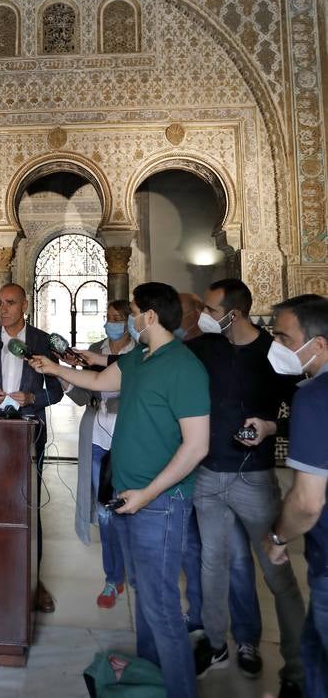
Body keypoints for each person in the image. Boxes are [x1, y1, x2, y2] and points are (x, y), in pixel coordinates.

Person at [31, 282, 210, 698]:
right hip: (130, 497)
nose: (127, 318)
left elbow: (196, 446)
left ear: (149, 316)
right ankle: (151, 679)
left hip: (160, 503)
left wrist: (147, 495)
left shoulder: (183, 367)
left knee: (162, 606)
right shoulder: (139, 359)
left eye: (131, 311)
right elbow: (97, 381)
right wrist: (55, 368)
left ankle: (180, 689)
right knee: (146, 597)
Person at [188, 278, 305, 696]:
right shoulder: (202, 348)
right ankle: (217, 644)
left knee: (277, 574)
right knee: (213, 565)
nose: (204, 315)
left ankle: (295, 666)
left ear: (233, 313)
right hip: (207, 475)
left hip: (254, 478)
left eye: (211, 309)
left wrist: (271, 425)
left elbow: (303, 411)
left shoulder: (273, 356)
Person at [0, 282, 63, 613]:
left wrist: (34, 398)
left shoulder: (41, 342)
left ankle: (34, 582)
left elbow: (58, 391)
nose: (3, 309)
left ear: (25, 305)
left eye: (10, 303)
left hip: (29, 433)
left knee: (28, 504)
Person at [176, 292, 263, 650]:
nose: (179, 322)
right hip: (193, 469)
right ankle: (204, 623)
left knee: (238, 558)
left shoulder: (236, 351)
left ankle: (246, 638)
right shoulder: (194, 351)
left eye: (183, 314)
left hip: (231, 468)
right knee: (196, 551)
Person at [263, 294, 328, 698]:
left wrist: (277, 539)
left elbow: (306, 502)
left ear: (318, 344)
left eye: (285, 339)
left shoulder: (314, 396)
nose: (279, 349)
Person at [63, 299, 134, 609]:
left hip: (130, 439)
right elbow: (83, 395)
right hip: (96, 437)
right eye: (108, 317)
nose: (112, 322)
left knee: (128, 508)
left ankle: (136, 573)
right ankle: (112, 577)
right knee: (105, 512)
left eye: (118, 317)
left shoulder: (140, 352)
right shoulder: (95, 347)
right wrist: (63, 376)